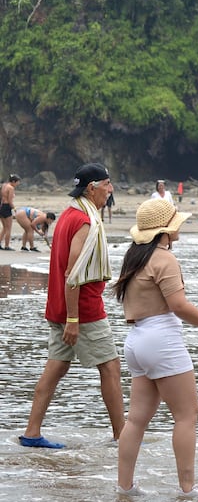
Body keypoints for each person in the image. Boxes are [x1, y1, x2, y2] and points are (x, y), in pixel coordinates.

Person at [116, 198, 198, 496]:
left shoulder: (135, 256)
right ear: (165, 230)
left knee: (136, 419)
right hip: (161, 339)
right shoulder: (164, 258)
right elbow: (178, 306)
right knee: (187, 414)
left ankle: (125, 486)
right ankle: (187, 488)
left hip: (136, 341)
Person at [19, 163, 125, 448]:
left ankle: (31, 433)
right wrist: (75, 319)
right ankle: (123, 437)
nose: (111, 189)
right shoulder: (84, 221)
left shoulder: (67, 214)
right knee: (110, 367)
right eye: (107, 184)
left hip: (59, 306)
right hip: (83, 309)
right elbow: (74, 273)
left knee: (56, 367)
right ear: (92, 188)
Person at [1, 173, 19, 250]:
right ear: (13, 181)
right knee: (8, 228)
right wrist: (15, 209)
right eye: (18, 182)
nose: (18, 184)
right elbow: (10, 201)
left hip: (1, 207)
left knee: (4, 228)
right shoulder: (11, 188)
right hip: (6, 207)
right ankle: (7, 246)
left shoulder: (4, 185)